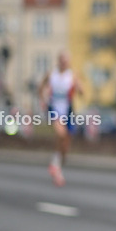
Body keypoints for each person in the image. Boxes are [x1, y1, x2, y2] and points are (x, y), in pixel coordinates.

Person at [38, 51, 82, 187]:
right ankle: (55, 165)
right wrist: (43, 99)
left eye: (66, 60)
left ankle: (56, 167)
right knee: (61, 134)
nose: (64, 62)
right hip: (54, 109)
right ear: (59, 61)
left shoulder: (72, 75)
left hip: (67, 111)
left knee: (65, 146)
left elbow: (82, 91)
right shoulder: (52, 74)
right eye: (62, 60)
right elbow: (41, 87)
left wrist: (79, 88)